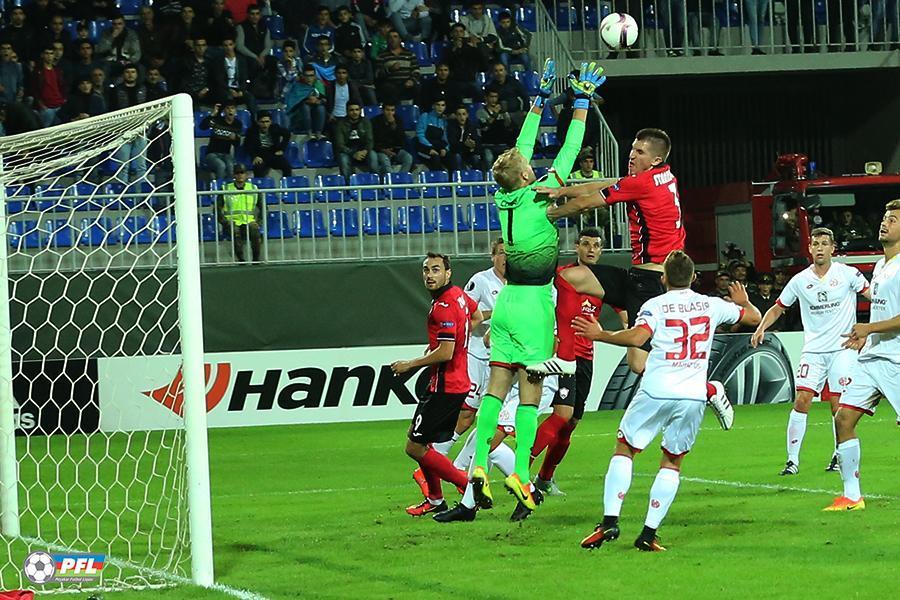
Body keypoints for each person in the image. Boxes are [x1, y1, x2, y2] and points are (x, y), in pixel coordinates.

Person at [468, 60, 605, 519]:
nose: (531, 163)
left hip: (504, 304)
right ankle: (523, 474)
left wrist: (539, 99)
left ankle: (479, 466)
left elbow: (519, 149)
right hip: (532, 305)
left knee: (495, 386)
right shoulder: (540, 199)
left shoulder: (503, 196)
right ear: (528, 176)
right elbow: (569, 150)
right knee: (530, 392)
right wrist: (581, 101)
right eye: (529, 166)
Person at [578, 250, 760, 551]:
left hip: (656, 389)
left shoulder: (655, 305)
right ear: (694, 277)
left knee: (625, 448)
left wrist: (600, 334)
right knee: (673, 461)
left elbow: (637, 338)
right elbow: (754, 318)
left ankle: (610, 522)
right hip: (692, 395)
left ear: (663, 277)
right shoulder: (711, 305)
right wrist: (743, 302)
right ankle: (648, 534)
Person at [535, 127, 687, 376]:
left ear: (656, 159)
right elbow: (607, 184)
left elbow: (585, 204)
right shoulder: (665, 175)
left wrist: (548, 215)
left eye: (640, 152)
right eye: (632, 149)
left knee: (638, 364)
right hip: (641, 277)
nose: (632, 155)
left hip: (650, 283)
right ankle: (566, 357)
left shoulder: (642, 183)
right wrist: (562, 191)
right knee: (568, 277)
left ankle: (703, 387)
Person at [751, 228, 871, 476]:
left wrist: (873, 328)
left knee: (838, 405)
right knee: (802, 400)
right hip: (813, 351)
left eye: (824, 243)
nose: (819, 248)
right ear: (810, 248)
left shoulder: (848, 274)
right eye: (815, 243)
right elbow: (778, 307)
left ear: (832, 248)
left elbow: (873, 297)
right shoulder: (799, 280)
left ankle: (838, 454)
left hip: (842, 350)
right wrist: (761, 327)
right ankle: (792, 461)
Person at [529, 228, 624, 496]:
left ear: (601, 250)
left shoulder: (603, 284)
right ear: (576, 247)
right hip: (563, 356)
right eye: (585, 244)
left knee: (571, 422)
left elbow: (625, 314)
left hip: (585, 359)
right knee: (562, 414)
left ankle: (544, 478)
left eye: (596, 245)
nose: (591, 249)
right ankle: (520, 469)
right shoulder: (562, 276)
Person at [391, 253, 483, 516]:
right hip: (453, 382)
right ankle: (435, 499)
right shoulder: (458, 295)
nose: (430, 275)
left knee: (414, 447)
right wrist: (454, 339)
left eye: (435, 270)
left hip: (446, 385)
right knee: (422, 442)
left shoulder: (444, 305)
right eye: (426, 270)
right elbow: (476, 316)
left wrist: (410, 364)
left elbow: (446, 352)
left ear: (448, 273)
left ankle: (467, 486)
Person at [826, 200, 900, 512]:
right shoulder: (881, 265)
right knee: (843, 419)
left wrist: (870, 328)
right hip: (872, 358)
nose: (885, 223)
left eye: (893, 219)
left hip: (897, 359)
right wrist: (866, 335)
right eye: (884, 218)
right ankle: (852, 496)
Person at [109, 64, 150, 183]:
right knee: (122, 165)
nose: (130, 74)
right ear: (123, 74)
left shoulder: (144, 89)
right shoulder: (115, 91)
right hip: (122, 131)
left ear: (137, 74)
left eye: (133, 72)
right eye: (127, 72)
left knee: (141, 165)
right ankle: (122, 190)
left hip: (141, 129)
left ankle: (142, 191)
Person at [218, 164, 262, 263]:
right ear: (234, 175)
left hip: (249, 221)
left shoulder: (253, 188)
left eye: (242, 173)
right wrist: (225, 222)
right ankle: (241, 260)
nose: (240, 175)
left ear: (246, 174)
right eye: (237, 173)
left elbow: (263, 207)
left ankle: (256, 260)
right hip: (231, 222)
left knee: (255, 230)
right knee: (235, 231)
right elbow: (217, 209)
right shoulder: (225, 189)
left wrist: (259, 222)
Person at [211, 37, 258, 116]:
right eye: (225, 45)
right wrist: (229, 90)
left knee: (250, 97)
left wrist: (241, 90)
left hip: (239, 88)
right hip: (225, 89)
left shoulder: (241, 60)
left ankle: (255, 119)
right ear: (222, 47)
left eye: (230, 45)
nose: (228, 47)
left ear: (234, 45)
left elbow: (244, 77)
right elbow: (219, 79)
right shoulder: (218, 61)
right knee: (227, 98)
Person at [201, 101, 243, 180]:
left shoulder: (238, 124)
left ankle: (230, 186)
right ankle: (220, 186)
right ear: (224, 111)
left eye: (232, 108)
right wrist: (212, 114)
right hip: (211, 154)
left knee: (230, 166)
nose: (230, 110)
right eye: (227, 108)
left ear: (235, 111)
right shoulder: (217, 120)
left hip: (226, 154)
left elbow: (237, 144)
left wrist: (235, 138)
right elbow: (202, 126)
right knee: (221, 165)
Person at [335, 102, 378, 179]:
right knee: (343, 159)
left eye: (357, 110)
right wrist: (353, 153)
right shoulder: (341, 124)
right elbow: (340, 144)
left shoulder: (366, 122)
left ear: (360, 111)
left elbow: (370, 141)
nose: (354, 112)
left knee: (373, 156)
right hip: (348, 151)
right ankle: (347, 184)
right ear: (347, 111)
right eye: (351, 110)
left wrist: (365, 151)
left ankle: (375, 182)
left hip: (363, 151)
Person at [374, 29, 419, 103]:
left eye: (395, 37)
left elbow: (416, 70)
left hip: (406, 82)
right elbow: (378, 74)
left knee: (418, 87)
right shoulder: (382, 55)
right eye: (390, 37)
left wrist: (412, 80)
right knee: (388, 88)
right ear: (387, 40)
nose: (392, 39)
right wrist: (390, 69)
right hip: (390, 83)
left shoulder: (410, 54)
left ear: (400, 39)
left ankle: (416, 108)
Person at [243, 110, 291, 178]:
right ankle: (260, 184)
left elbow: (287, 134)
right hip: (260, 155)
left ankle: (286, 183)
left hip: (273, 154)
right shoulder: (251, 131)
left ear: (270, 121)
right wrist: (254, 156)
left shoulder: (275, 128)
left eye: (267, 122)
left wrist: (282, 149)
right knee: (258, 168)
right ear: (257, 122)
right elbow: (247, 145)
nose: (265, 125)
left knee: (287, 166)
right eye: (262, 122)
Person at [371, 101, 413, 175]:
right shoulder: (374, 121)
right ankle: (392, 179)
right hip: (380, 151)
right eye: (387, 110)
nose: (390, 113)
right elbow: (373, 141)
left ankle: (401, 178)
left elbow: (401, 140)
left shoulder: (398, 120)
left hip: (395, 150)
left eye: (392, 110)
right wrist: (383, 150)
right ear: (382, 110)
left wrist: (394, 126)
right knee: (385, 160)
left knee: (408, 158)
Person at [285, 66, 326, 138]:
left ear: (315, 76)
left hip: (315, 111)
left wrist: (319, 101)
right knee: (305, 107)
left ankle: (318, 132)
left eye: (311, 76)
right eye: (306, 76)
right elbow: (292, 102)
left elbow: (325, 99)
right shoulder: (297, 85)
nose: (309, 78)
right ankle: (308, 132)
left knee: (321, 108)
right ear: (303, 76)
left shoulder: (318, 84)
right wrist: (306, 100)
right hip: (299, 113)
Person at [95, 13, 142, 77]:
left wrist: (131, 61)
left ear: (124, 24)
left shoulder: (131, 34)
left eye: (119, 24)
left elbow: (137, 52)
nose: (117, 26)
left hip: (127, 60)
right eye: (114, 24)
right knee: (104, 67)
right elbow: (100, 50)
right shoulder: (106, 33)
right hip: (110, 61)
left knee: (140, 68)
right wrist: (111, 37)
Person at [477, 89, 514, 168]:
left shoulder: (502, 112)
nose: (494, 99)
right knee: (488, 158)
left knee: (510, 159)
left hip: (502, 144)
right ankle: (489, 175)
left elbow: (508, 125)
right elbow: (485, 127)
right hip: (487, 145)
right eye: (491, 97)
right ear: (486, 98)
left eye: (495, 97)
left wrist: (505, 112)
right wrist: (495, 114)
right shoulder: (481, 112)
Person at [31, 46, 66, 127]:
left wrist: (64, 100)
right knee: (44, 130)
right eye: (47, 53)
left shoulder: (58, 70)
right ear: (42, 55)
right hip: (46, 107)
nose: (49, 56)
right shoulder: (37, 72)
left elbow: (62, 86)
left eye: (51, 53)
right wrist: (41, 105)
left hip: (59, 105)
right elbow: (34, 89)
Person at [415, 97, 451, 171]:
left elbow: (445, 139)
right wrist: (430, 148)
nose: (440, 107)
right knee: (435, 158)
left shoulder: (444, 121)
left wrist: (445, 149)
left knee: (452, 158)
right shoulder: (425, 116)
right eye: (438, 105)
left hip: (438, 149)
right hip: (425, 149)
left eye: (443, 105)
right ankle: (438, 178)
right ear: (433, 106)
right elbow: (420, 135)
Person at [447, 104, 484, 172]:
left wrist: (473, 146)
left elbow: (477, 142)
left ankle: (477, 177)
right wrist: (465, 144)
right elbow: (453, 144)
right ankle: (459, 176)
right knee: (457, 157)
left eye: (464, 114)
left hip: (468, 153)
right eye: (459, 114)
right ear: (456, 116)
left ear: (467, 115)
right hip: (455, 152)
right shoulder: (451, 127)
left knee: (476, 158)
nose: (462, 117)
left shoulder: (471, 126)